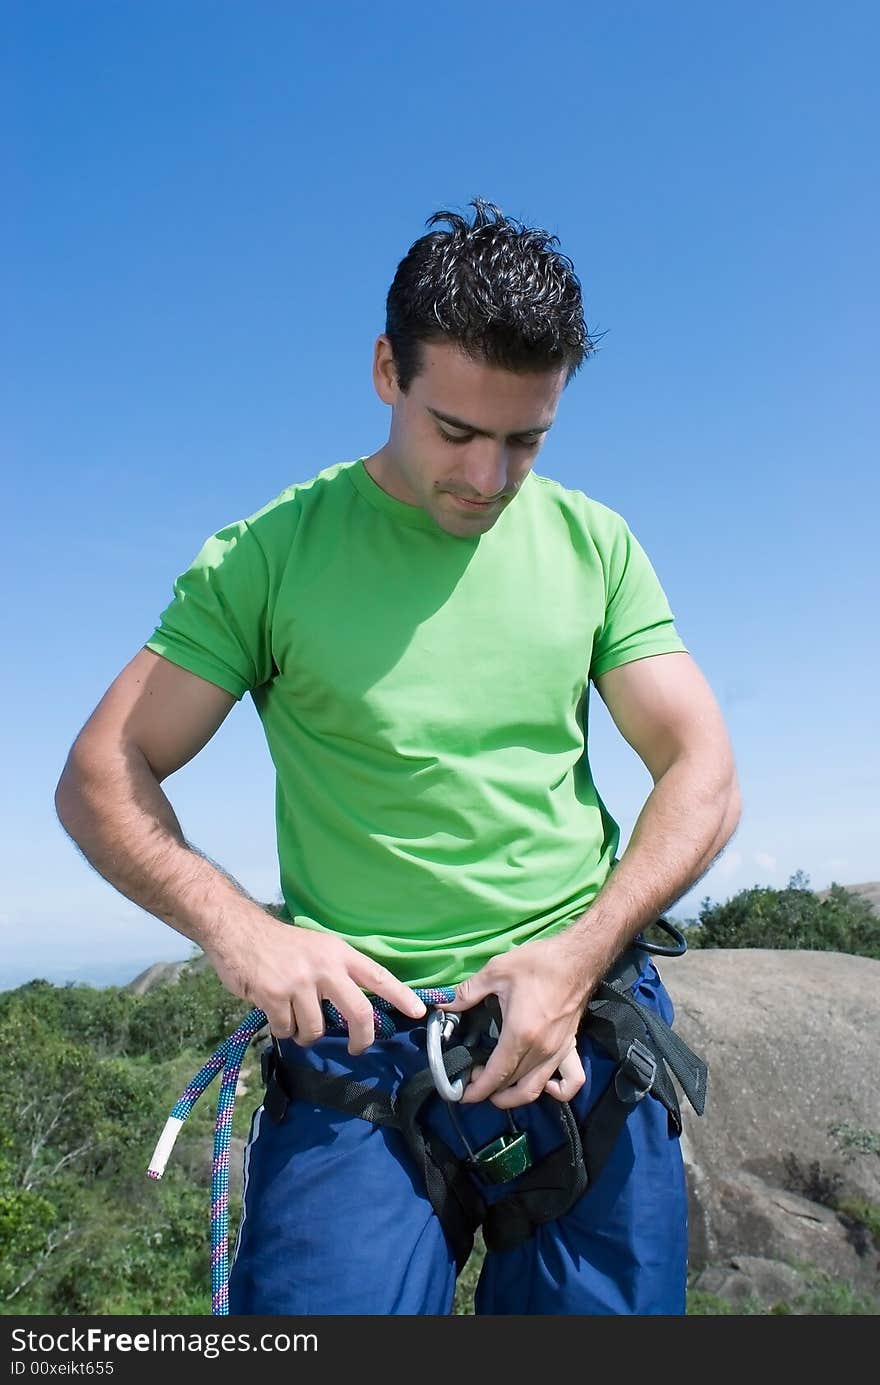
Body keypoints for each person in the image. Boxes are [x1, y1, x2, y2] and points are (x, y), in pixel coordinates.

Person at [55, 197, 740, 1316]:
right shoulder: (270, 555)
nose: (487, 476)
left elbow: (702, 767)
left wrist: (572, 962)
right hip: (361, 1055)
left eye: (526, 439)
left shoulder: (592, 542)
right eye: (456, 432)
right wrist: (241, 931)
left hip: (574, 1026)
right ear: (386, 370)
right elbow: (103, 770)